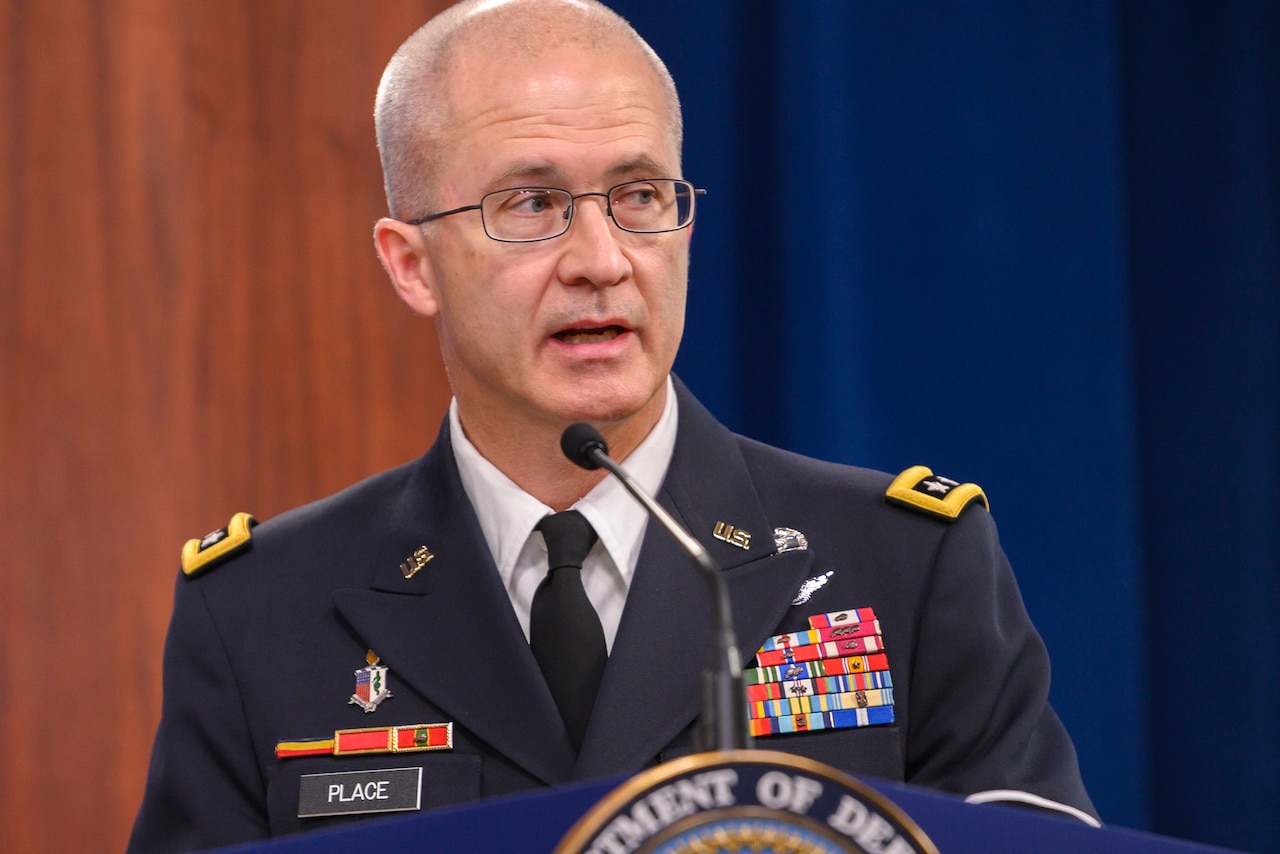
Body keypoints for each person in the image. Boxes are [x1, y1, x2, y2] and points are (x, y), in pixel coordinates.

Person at [129, 0, 1097, 849]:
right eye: (532, 203)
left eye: (638, 197)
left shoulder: (907, 568)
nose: (600, 258)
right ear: (410, 262)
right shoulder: (261, 612)